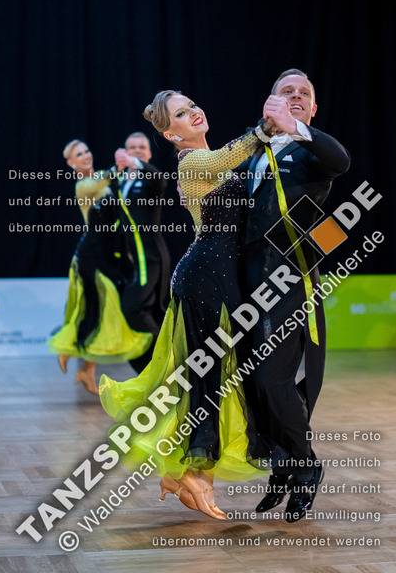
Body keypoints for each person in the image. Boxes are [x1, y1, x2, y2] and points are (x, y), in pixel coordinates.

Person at [99, 90, 278, 520]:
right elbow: (228, 157)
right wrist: (265, 129)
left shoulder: (212, 163)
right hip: (205, 279)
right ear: (170, 134)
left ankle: (183, 473)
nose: (194, 111)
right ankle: (195, 476)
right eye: (181, 113)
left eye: (192, 105)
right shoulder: (193, 162)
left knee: (217, 376)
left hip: (219, 278)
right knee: (209, 378)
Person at [237, 69, 351, 522]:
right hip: (246, 284)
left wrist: (295, 128)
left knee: (273, 380)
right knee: (253, 385)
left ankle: (306, 467)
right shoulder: (251, 151)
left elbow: (341, 160)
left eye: (305, 93)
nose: (297, 96)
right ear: (270, 101)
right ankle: (282, 464)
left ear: (313, 109)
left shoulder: (312, 152)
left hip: (290, 282)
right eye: (288, 91)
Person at [48, 140, 153, 394]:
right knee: (102, 305)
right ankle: (70, 349)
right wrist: (121, 167)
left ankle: (86, 369)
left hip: (107, 253)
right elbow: (103, 181)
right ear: (71, 163)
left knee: (99, 307)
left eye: (86, 151)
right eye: (79, 154)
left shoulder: (102, 181)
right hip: (91, 255)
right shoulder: (84, 185)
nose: (85, 155)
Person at [113, 132, 171, 374]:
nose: (136, 150)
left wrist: (136, 164)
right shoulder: (120, 181)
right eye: (131, 147)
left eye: (141, 148)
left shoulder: (149, 180)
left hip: (151, 257)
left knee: (133, 308)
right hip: (133, 258)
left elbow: (159, 180)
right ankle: (153, 374)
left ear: (147, 154)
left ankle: (162, 365)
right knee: (149, 313)